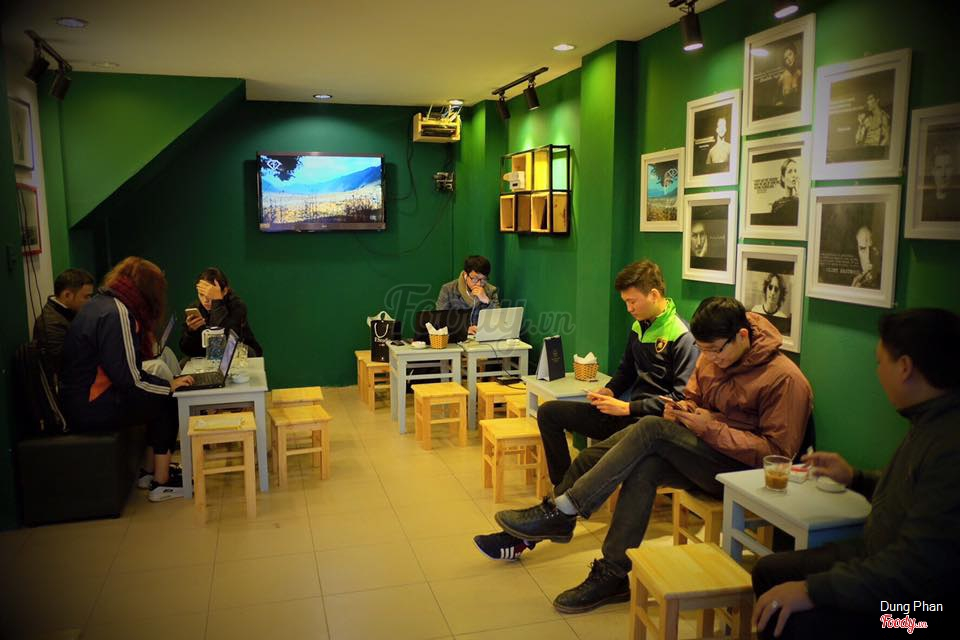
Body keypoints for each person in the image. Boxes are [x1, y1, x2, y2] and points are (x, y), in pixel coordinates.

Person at [483, 298, 812, 613]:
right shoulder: (712, 355)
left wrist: (711, 427)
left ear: (742, 335)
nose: (710, 358)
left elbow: (776, 454)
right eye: (705, 351)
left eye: (715, 351)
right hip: (704, 453)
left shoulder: (784, 379)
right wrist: (684, 409)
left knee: (652, 428)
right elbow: (693, 396)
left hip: (743, 476)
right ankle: (613, 574)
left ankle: (563, 511)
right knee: (645, 466)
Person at [752, 308, 960, 640]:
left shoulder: (949, 445)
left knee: (790, 618)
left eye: (880, 362)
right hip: (880, 558)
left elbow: (915, 568)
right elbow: (913, 495)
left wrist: (812, 590)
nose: (877, 372)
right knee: (769, 571)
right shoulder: (929, 420)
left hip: (919, 612)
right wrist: (854, 478)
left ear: (905, 367)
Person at [474, 260, 698, 560]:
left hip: (646, 427)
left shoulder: (682, 336)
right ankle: (562, 497)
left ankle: (530, 531)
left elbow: (679, 401)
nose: (629, 308)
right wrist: (609, 391)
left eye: (632, 301)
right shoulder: (639, 326)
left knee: (585, 460)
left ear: (654, 295)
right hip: (624, 414)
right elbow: (626, 371)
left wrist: (627, 407)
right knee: (550, 413)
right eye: (625, 302)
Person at [59, 257, 195, 502]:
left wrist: (162, 385)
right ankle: (161, 482)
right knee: (167, 400)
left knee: (157, 395)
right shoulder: (118, 313)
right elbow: (129, 380)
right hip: (92, 406)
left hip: (79, 403)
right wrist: (168, 386)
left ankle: (149, 472)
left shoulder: (99, 304)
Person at [180, 267, 263, 358]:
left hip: (239, 355)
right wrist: (191, 332)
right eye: (201, 294)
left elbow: (226, 341)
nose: (205, 300)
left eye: (210, 295)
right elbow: (186, 350)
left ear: (224, 291)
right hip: (206, 358)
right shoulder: (195, 308)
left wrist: (217, 302)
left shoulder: (237, 306)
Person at [32, 268, 95, 386]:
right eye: (86, 297)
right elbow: (66, 366)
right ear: (67, 295)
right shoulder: (51, 324)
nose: (90, 301)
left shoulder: (68, 313)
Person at [436, 255, 500, 332]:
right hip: (457, 336)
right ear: (466, 275)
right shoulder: (448, 290)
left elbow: (498, 319)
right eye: (475, 279)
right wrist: (464, 329)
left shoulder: (491, 290)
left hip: (482, 335)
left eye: (483, 279)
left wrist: (487, 301)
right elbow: (441, 320)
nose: (479, 284)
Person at [922, 145, 960, 222]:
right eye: (939, 168)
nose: (943, 174)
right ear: (933, 171)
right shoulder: (924, 203)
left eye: (948, 167)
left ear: (954, 170)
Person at [762, 158, 800, 227]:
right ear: (783, 178)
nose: (794, 175)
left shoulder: (799, 201)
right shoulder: (777, 204)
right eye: (790, 172)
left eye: (795, 171)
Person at [777, 44, 801, 109]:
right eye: (785, 58)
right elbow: (778, 101)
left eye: (790, 54)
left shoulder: (801, 73)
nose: (788, 59)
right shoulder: (782, 76)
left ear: (795, 55)